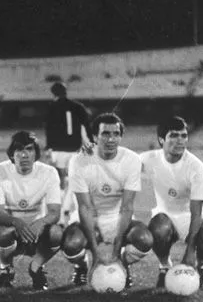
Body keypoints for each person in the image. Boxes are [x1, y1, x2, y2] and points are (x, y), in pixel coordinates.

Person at [62, 112, 154, 288]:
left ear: (121, 137)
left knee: (145, 240)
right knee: (71, 245)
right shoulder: (79, 161)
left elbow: (127, 207)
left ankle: (123, 265)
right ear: (95, 137)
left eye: (116, 134)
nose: (111, 139)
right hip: (89, 217)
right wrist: (96, 254)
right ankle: (82, 266)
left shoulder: (131, 160)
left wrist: (118, 249)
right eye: (105, 134)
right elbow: (85, 208)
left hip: (117, 217)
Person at [140, 116, 203, 290]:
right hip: (164, 216)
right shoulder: (148, 159)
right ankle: (164, 267)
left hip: (190, 216)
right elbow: (120, 161)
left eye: (184, 136)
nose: (180, 141)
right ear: (161, 139)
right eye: (174, 135)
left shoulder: (196, 167)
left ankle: (199, 266)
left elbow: (197, 212)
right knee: (158, 228)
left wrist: (190, 251)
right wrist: (92, 151)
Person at [0, 131, 63, 290]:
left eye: (29, 149)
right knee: (1, 233)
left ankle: (36, 268)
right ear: (11, 154)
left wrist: (41, 222)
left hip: (36, 227)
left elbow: (55, 212)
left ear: (36, 153)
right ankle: (6, 268)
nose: (24, 155)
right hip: (10, 227)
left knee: (57, 233)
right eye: (19, 150)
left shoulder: (49, 172)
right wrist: (16, 222)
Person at [44, 82, 93, 224]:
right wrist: (89, 145)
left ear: (53, 93)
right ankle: (66, 209)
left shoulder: (51, 107)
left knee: (59, 181)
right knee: (72, 180)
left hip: (57, 151)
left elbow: (49, 129)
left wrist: (48, 149)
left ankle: (58, 210)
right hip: (74, 151)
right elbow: (86, 129)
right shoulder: (78, 107)